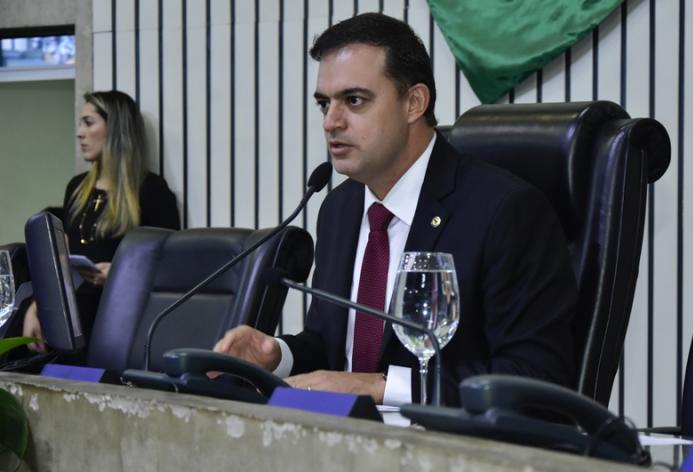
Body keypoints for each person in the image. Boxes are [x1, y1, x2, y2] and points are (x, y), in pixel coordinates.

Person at [214, 13, 577, 406]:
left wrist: (383, 388)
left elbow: (537, 376)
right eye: (324, 104)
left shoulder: (505, 211)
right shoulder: (340, 208)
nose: (331, 122)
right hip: (341, 432)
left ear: (414, 103)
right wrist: (278, 355)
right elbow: (334, 349)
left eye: (354, 100)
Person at [23, 90, 180, 353]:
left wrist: (120, 274)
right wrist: (37, 305)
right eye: (80, 123)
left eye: (89, 122)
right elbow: (62, 264)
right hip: (72, 313)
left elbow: (170, 266)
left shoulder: (151, 190)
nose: (80, 133)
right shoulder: (77, 187)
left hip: (121, 315)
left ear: (116, 128)